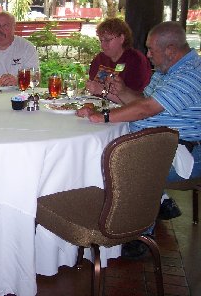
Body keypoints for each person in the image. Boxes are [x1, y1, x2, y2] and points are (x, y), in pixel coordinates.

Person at [77, 21, 201, 258]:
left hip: (185, 153)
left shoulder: (190, 74)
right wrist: (121, 91)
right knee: (103, 155)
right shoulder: (168, 70)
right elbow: (141, 99)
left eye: (151, 50)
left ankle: (139, 235)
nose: (148, 54)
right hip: (156, 144)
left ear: (171, 50)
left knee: (121, 166)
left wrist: (101, 117)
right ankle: (110, 224)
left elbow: (145, 109)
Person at [86, 18, 152, 103]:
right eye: (101, 40)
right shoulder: (100, 59)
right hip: (98, 107)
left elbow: (138, 103)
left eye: (107, 40)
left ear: (122, 38)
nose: (103, 45)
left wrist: (102, 91)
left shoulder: (136, 60)